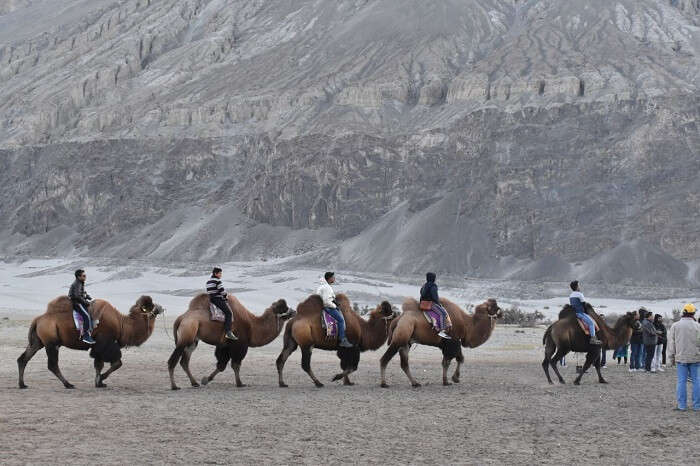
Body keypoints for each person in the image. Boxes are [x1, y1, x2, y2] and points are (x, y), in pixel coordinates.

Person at [667, 303, 700, 411]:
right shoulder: (698, 326)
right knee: (696, 381)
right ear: (693, 313)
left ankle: (682, 406)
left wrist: (671, 357)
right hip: (695, 357)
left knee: (681, 381)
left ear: (683, 313)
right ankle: (697, 405)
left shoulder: (675, 326)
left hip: (681, 358)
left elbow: (671, 343)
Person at [317, 272, 353, 348]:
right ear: (329, 278)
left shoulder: (323, 286)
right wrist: (334, 306)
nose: (334, 279)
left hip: (322, 306)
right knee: (341, 320)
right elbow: (326, 301)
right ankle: (342, 340)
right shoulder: (327, 287)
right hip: (327, 307)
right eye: (333, 277)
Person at [206, 267, 237, 340]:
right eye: (220, 273)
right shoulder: (218, 281)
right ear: (215, 273)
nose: (221, 275)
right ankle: (228, 332)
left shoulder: (208, 282)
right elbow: (222, 291)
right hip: (218, 300)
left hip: (212, 300)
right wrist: (226, 296)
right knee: (229, 313)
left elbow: (210, 292)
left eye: (221, 273)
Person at [419, 272, 451, 338]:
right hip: (430, 304)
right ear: (433, 278)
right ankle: (442, 330)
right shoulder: (433, 286)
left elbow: (421, 295)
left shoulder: (424, 285)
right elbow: (434, 297)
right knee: (443, 314)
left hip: (423, 304)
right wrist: (439, 304)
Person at [569, 281, 601, 345]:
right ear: (576, 287)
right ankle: (593, 339)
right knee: (591, 323)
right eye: (578, 285)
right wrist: (586, 312)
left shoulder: (571, 295)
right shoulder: (580, 294)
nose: (579, 287)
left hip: (574, 313)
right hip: (580, 313)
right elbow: (584, 304)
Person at [69, 269, 95, 344]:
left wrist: (87, 296)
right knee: (86, 316)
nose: (85, 277)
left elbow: (81, 293)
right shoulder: (77, 284)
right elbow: (77, 296)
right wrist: (86, 303)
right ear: (78, 277)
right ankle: (86, 336)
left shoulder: (80, 283)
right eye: (83, 276)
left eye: (85, 275)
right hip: (76, 303)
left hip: (79, 301)